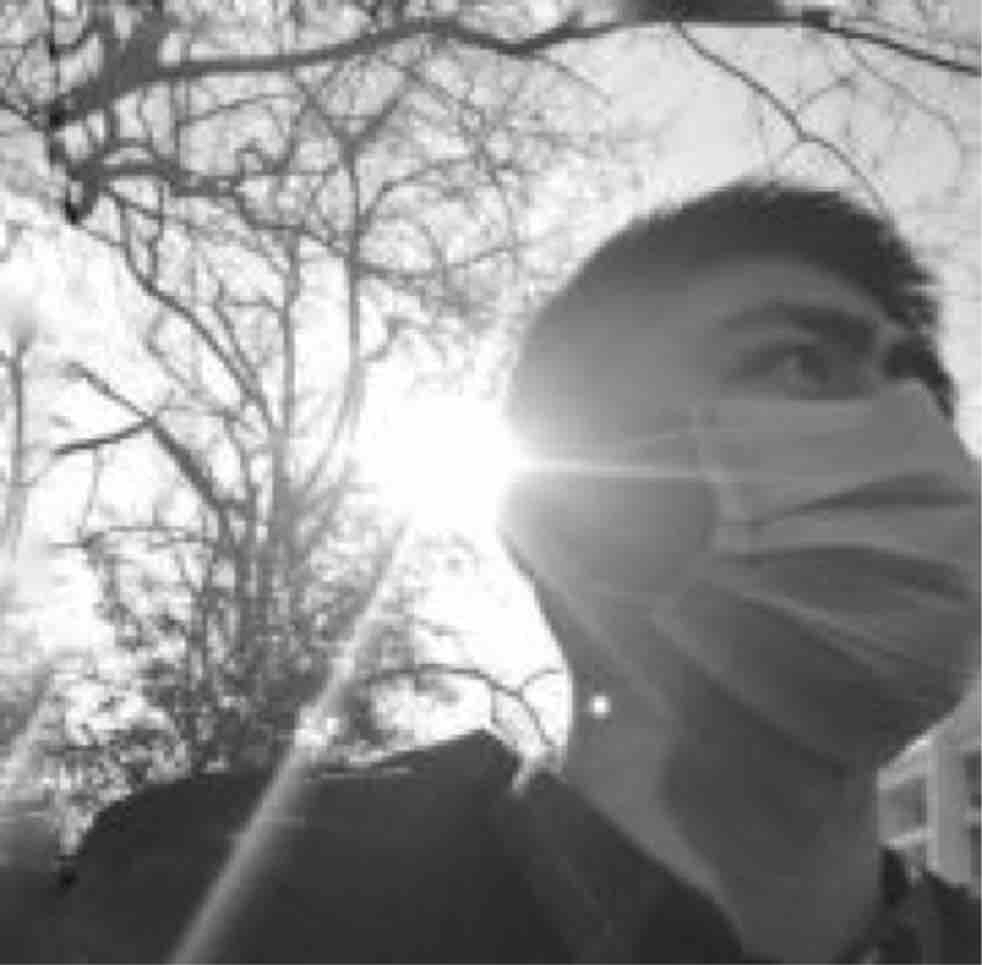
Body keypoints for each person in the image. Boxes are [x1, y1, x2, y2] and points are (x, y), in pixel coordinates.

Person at [40, 180, 980, 963]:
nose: (912, 433)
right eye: (804, 363)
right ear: (571, 514)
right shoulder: (221, 919)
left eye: (927, 394)